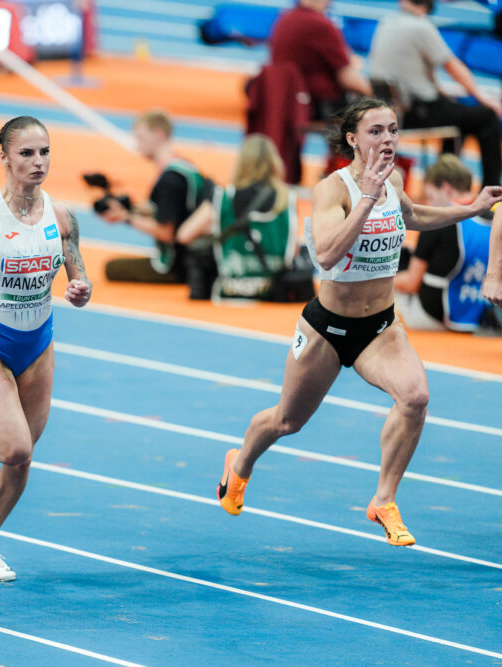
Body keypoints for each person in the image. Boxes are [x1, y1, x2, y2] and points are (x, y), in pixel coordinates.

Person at [215, 97, 502, 546]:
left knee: (415, 397)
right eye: (376, 131)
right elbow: (326, 253)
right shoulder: (332, 189)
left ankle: (384, 499)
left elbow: (414, 216)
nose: (387, 139)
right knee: (287, 421)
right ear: (352, 139)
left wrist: (469, 207)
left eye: (392, 129)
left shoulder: (397, 179)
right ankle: (240, 465)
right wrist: (366, 198)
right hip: (327, 327)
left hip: (381, 327)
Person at [0, 116, 92, 580]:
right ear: (5, 158)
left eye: (44, 152)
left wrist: (81, 289)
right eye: (27, 153)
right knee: (12, 449)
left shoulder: (63, 217)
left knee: (23, 455)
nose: (38, 162)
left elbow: (78, 274)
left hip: (39, 345)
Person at [369, 0, 502, 186]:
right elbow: (452, 65)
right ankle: (491, 193)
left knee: (459, 117)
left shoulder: (386, 22)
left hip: (395, 111)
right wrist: (484, 99)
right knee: (487, 117)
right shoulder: (421, 26)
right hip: (418, 111)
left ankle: (444, 183)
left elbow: (414, 73)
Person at [176, 134, 299, 301]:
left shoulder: (224, 197)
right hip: (274, 290)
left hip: (230, 288)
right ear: (274, 162)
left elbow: (184, 235)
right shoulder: (286, 198)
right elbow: (293, 249)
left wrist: (219, 228)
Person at [99, 109, 215, 285]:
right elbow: (177, 210)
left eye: (141, 138)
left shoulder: (169, 179)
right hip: (198, 255)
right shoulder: (187, 166)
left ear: (158, 135)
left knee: (111, 268)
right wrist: (131, 208)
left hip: (176, 265)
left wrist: (126, 218)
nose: (137, 145)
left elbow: (166, 232)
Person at [394, 154, 494, 331]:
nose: (428, 204)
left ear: (446, 189)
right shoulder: (494, 220)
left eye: (430, 197)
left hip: (434, 316)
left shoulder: (439, 220)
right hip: (481, 312)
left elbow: (411, 283)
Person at [269, 0, 372, 122]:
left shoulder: (284, 20)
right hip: (319, 106)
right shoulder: (321, 25)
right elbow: (349, 79)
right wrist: (372, 93)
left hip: (286, 103)